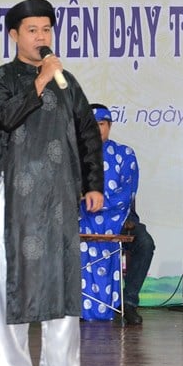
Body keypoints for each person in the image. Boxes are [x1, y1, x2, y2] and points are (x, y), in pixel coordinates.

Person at [0, 0, 104, 366]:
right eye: (33, 30)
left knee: (63, 276)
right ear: (15, 35)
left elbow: (88, 134)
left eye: (47, 30)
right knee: (13, 279)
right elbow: (9, 116)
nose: (42, 37)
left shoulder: (69, 84)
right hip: (16, 195)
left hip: (59, 196)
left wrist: (93, 184)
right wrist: (41, 79)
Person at [79, 104, 155, 325]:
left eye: (101, 124)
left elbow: (127, 191)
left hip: (121, 218)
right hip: (82, 218)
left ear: (109, 126)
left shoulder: (124, 154)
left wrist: (97, 203)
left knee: (144, 243)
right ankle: (71, 304)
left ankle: (128, 303)